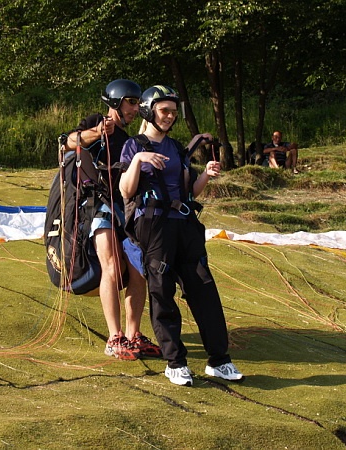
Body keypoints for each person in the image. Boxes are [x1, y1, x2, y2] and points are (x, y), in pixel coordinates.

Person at [119, 85, 244, 386]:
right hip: (154, 226)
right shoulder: (134, 146)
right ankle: (175, 362)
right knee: (162, 291)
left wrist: (206, 175)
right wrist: (139, 160)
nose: (170, 116)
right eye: (164, 111)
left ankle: (219, 360)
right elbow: (125, 190)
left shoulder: (176, 148)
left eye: (174, 112)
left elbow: (189, 192)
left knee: (204, 288)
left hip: (185, 225)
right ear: (149, 111)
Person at [62, 79, 161, 360]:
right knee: (112, 266)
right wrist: (95, 132)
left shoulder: (130, 139)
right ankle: (114, 337)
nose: (135, 109)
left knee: (138, 270)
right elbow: (67, 143)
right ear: (116, 101)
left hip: (125, 209)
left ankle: (133, 334)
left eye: (137, 104)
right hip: (99, 206)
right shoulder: (97, 122)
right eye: (131, 103)